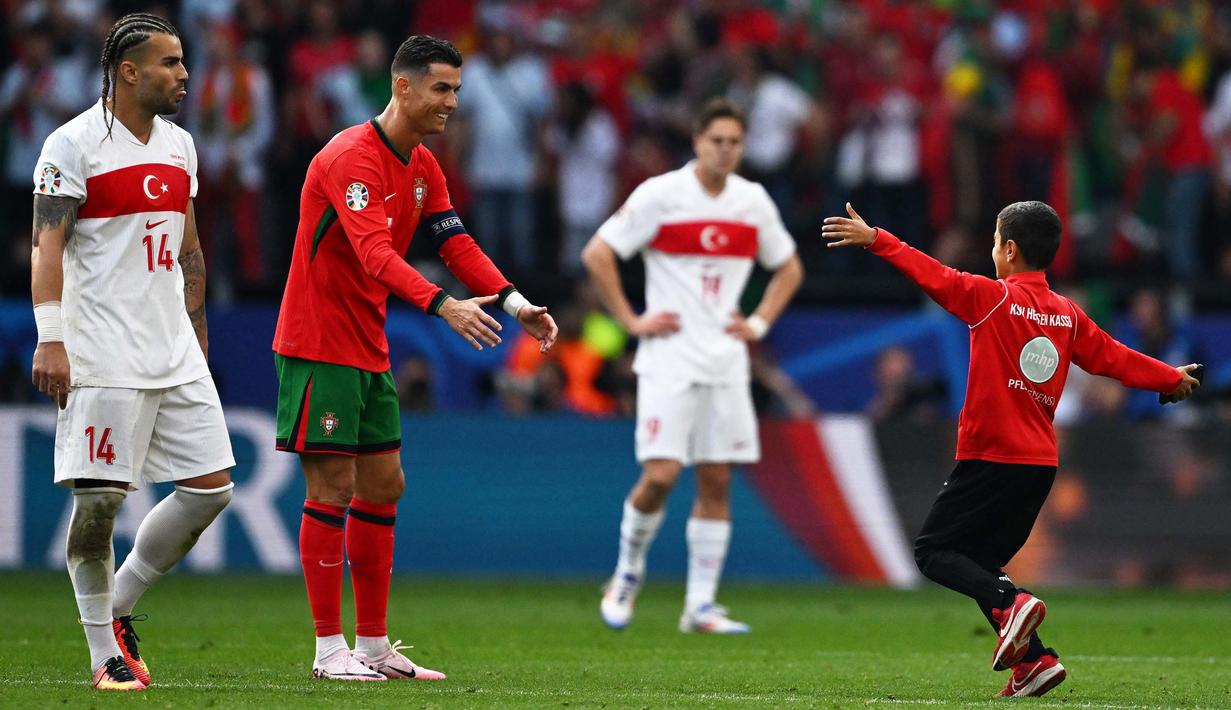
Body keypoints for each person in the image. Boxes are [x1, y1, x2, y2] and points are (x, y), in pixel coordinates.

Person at [822, 200, 1201, 698]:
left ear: (1010, 249)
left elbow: (934, 275)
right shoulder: (1066, 314)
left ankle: (1012, 604)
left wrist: (878, 240)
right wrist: (1169, 376)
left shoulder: (991, 298)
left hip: (989, 457)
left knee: (934, 551)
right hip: (1039, 464)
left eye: (996, 241)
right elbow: (1113, 358)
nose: (992, 250)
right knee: (978, 561)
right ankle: (1035, 662)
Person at [272, 35, 558, 682]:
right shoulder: (351, 158)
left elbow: (456, 244)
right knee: (333, 487)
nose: (452, 102)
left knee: (384, 485)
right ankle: (327, 651)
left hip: (365, 344)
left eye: (456, 89)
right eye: (441, 88)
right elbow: (374, 254)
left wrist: (515, 304)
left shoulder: (424, 165)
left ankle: (373, 647)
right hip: (319, 342)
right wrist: (443, 307)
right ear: (402, 87)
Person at [29, 13, 235, 692]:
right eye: (169, 63)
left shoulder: (179, 145)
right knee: (99, 507)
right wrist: (50, 336)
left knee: (212, 489)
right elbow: (46, 247)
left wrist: (197, 331)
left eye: (182, 62)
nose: (182, 75)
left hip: (173, 348)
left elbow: (189, 247)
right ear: (127, 71)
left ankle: (116, 607)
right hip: (101, 352)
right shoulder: (71, 145)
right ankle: (102, 656)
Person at [582, 98, 803, 634]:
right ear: (697, 141)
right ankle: (626, 575)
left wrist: (758, 324)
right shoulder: (661, 195)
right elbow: (597, 253)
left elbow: (789, 267)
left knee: (717, 479)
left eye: (734, 142)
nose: (725, 150)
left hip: (725, 359)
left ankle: (699, 606)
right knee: (659, 476)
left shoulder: (752, 201)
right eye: (716, 140)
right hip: (669, 359)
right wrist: (632, 321)